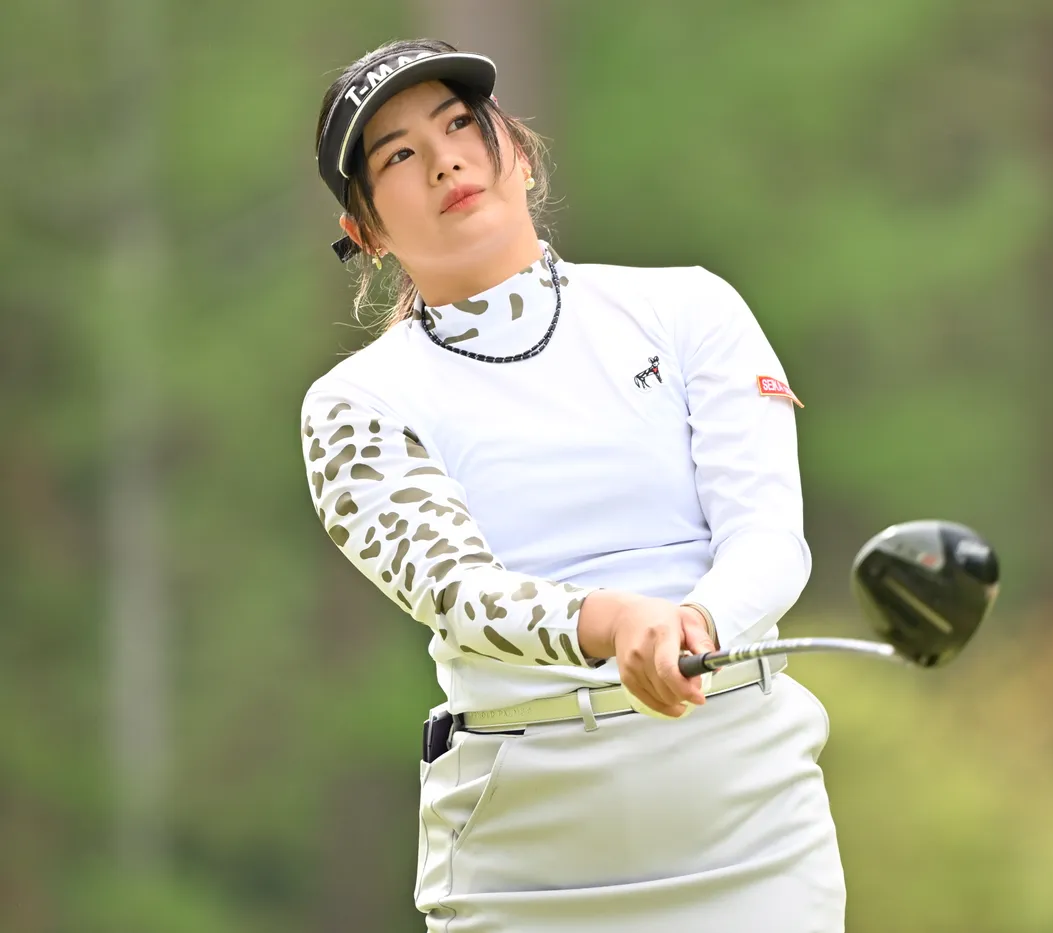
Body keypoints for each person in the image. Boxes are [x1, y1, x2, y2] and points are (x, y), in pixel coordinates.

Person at [301, 38, 844, 932]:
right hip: (524, 861)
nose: (444, 161)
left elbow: (769, 537)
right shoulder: (353, 404)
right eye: (399, 156)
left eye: (459, 124)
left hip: (750, 828)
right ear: (366, 233)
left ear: (516, 149)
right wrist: (616, 623)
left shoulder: (689, 306)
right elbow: (461, 593)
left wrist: (697, 624)